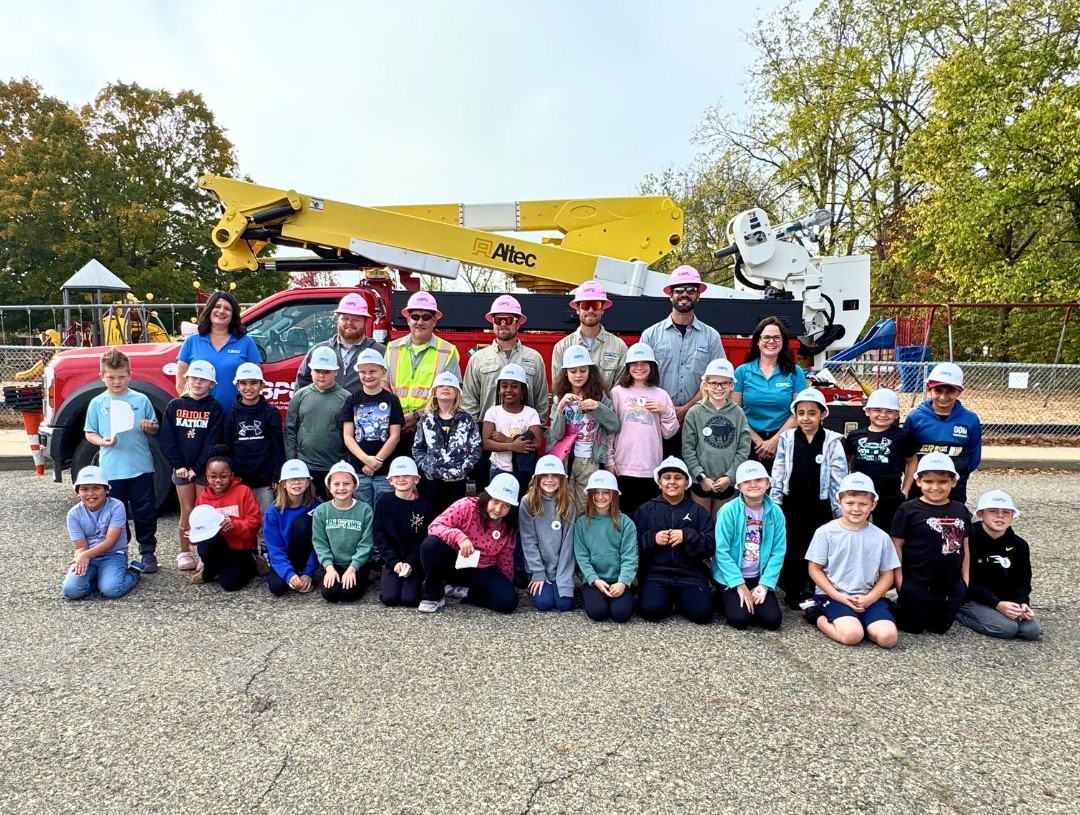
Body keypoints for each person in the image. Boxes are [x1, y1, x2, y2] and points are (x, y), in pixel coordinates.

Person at [461, 294, 551, 493]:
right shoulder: (478, 359)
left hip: (525, 445)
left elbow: (542, 400)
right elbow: (469, 401)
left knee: (523, 496)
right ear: (492, 323)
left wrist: (533, 436)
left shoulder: (533, 358)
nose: (503, 324)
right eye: (498, 320)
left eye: (508, 320)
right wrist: (480, 437)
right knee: (488, 497)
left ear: (518, 323)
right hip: (489, 442)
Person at [82, 348, 160, 572]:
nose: (117, 381)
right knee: (116, 513)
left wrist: (150, 427)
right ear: (102, 376)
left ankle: (147, 551)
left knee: (144, 511)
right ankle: (119, 550)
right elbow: (89, 432)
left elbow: (153, 426)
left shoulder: (141, 399)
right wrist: (102, 441)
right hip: (111, 470)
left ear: (130, 375)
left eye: (122, 376)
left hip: (140, 466)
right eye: (111, 377)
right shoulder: (97, 403)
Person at [769, 387, 848, 609]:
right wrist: (775, 501)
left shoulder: (832, 441)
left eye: (812, 413)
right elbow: (779, 469)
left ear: (822, 414)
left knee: (817, 544)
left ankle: (812, 587)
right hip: (792, 501)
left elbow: (838, 477)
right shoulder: (787, 438)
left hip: (819, 503)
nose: (806, 418)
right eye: (801, 413)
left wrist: (839, 509)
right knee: (792, 544)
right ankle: (792, 588)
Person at [805, 473, 901, 648]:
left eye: (863, 504)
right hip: (832, 594)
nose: (856, 509)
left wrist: (870, 598)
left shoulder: (881, 537)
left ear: (873, 505)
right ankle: (814, 614)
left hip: (867, 596)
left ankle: (863, 621)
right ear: (839, 502)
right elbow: (814, 569)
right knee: (852, 636)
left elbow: (888, 574)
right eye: (850, 503)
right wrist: (838, 596)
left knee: (888, 638)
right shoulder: (825, 532)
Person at [638, 265, 725, 457]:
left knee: (694, 478)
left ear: (698, 296)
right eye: (679, 290)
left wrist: (685, 410)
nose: (685, 294)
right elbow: (640, 381)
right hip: (656, 421)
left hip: (697, 420)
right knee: (659, 479)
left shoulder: (711, 337)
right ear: (670, 295)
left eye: (691, 290)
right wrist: (667, 410)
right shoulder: (650, 336)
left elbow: (717, 381)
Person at [890, 452, 971, 635]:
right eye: (928, 481)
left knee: (939, 628)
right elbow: (896, 546)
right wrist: (900, 582)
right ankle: (886, 603)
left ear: (954, 481)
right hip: (916, 581)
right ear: (918, 481)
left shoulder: (960, 510)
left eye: (942, 482)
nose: (935, 487)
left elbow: (964, 545)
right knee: (914, 628)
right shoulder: (908, 510)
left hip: (949, 583)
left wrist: (964, 580)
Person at [417, 473, 522, 615]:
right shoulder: (466, 505)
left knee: (508, 602)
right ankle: (434, 594)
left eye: (506, 505)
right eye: (495, 501)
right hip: (454, 562)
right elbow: (434, 527)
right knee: (431, 545)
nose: (498, 509)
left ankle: (468, 594)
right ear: (487, 496)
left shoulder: (508, 523)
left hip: (483, 566)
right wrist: (459, 537)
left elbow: (506, 556)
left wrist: (506, 585)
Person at [158, 359, 224, 571]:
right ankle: (185, 551)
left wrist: (197, 467)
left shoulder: (215, 409)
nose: (198, 382)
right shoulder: (175, 406)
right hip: (181, 468)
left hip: (203, 469)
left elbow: (212, 442)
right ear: (186, 379)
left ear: (212, 384)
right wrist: (179, 465)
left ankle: (204, 552)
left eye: (203, 379)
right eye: (194, 377)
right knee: (186, 509)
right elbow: (167, 439)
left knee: (204, 509)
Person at [633, 457, 715, 624]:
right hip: (656, 572)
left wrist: (687, 535)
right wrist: (652, 538)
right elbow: (632, 545)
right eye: (667, 477)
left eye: (678, 478)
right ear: (659, 482)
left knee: (703, 615)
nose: (672, 482)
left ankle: (683, 598)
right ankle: (668, 599)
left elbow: (710, 545)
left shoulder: (698, 512)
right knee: (651, 611)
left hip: (690, 572)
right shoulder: (645, 510)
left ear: (687, 483)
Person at [384, 291, 461, 460]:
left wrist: (417, 416)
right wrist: (398, 418)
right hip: (396, 427)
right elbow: (383, 386)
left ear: (434, 320)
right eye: (415, 316)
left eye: (426, 317)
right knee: (397, 482)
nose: (419, 321)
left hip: (431, 429)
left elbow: (450, 395)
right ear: (408, 319)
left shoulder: (448, 351)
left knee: (427, 483)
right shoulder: (392, 348)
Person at [606, 343, 679, 518]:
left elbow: (670, 432)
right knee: (623, 516)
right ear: (627, 367)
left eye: (644, 363)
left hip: (650, 467)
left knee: (647, 517)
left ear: (652, 366)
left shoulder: (661, 395)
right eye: (634, 363)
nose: (639, 367)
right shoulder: (617, 393)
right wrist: (608, 459)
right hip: (622, 466)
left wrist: (665, 410)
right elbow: (609, 429)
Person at [956, 490, 1041, 640]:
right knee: (1007, 628)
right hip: (972, 597)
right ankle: (957, 613)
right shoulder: (967, 540)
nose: (1000, 515)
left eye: (1006, 512)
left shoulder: (1020, 545)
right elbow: (964, 581)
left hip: (1003, 598)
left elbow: (1023, 581)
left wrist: (1022, 603)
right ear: (981, 515)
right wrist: (997, 604)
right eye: (993, 511)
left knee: (1031, 631)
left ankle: (1001, 614)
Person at [712, 460, 785, 631]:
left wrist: (765, 584)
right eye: (746, 481)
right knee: (740, 619)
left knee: (772, 621)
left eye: (759, 480)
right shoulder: (728, 511)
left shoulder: (776, 512)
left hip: (758, 576)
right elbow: (721, 551)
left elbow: (778, 551)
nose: (753, 485)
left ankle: (747, 596)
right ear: (738, 486)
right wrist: (739, 584)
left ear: (768, 483)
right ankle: (721, 595)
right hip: (731, 576)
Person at [546, 345, 620, 510]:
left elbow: (614, 425)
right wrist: (560, 409)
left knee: (584, 507)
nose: (578, 375)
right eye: (573, 371)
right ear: (566, 373)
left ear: (590, 371)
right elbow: (556, 435)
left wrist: (598, 407)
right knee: (564, 506)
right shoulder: (559, 397)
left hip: (589, 460)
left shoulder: (600, 395)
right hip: (565, 460)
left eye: (582, 370)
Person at [732, 317, 809, 474]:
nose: (771, 341)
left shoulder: (795, 372)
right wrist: (758, 441)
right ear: (758, 341)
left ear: (783, 341)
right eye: (766, 337)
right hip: (748, 441)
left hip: (785, 439)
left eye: (776, 337)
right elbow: (735, 412)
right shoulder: (742, 372)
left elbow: (799, 412)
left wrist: (775, 441)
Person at [224, 362, 285, 546]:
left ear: (262, 385)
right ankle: (248, 551)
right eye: (243, 383)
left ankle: (267, 550)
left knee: (266, 516)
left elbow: (277, 445)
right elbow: (227, 446)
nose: (248, 388)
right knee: (243, 517)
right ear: (237, 385)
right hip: (240, 479)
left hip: (264, 478)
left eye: (253, 383)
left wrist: (277, 474)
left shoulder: (270, 412)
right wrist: (230, 474)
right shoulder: (231, 414)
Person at [904, 362, 983, 504]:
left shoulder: (970, 420)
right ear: (929, 389)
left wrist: (958, 472)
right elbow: (906, 452)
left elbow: (973, 455)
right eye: (938, 391)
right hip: (921, 483)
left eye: (950, 392)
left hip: (954, 483)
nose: (943, 397)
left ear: (959, 392)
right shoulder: (915, 418)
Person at [682, 357, 751, 518]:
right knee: (701, 522)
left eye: (724, 383)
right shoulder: (695, 412)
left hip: (726, 481)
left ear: (731, 385)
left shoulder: (738, 413)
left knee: (721, 523)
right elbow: (688, 448)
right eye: (713, 383)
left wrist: (730, 476)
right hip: (701, 481)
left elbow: (743, 447)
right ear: (705, 384)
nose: (718, 388)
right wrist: (701, 477)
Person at [61, 465, 142, 600]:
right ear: (78, 493)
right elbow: (81, 546)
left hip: (113, 554)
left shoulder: (117, 506)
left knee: (112, 590)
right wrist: (80, 556)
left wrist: (84, 555)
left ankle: (133, 572)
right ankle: (100, 581)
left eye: (96, 488)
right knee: (70, 591)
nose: (90, 494)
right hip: (89, 556)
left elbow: (110, 542)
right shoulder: (73, 514)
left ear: (107, 490)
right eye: (84, 489)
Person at [844, 387, 917, 534]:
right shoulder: (854, 436)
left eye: (889, 411)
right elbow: (845, 460)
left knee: (888, 533)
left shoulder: (903, 436)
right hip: (860, 493)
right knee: (855, 530)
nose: (883, 415)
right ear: (867, 411)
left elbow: (912, 461)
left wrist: (905, 490)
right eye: (877, 410)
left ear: (897, 415)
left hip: (890, 495)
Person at [412, 371, 482, 518]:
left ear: (457, 393)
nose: (446, 388)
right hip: (432, 479)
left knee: (455, 516)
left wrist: (465, 467)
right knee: (433, 515)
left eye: (450, 386)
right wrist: (426, 466)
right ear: (435, 393)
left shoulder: (466, 419)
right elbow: (418, 447)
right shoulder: (426, 419)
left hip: (457, 479)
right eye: (441, 385)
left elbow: (476, 447)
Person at [340, 348, 404, 507]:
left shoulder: (392, 400)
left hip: (385, 471)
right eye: (363, 372)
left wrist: (377, 461)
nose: (367, 376)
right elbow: (348, 436)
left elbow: (394, 436)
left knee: (384, 510)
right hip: (359, 469)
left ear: (383, 371)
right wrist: (366, 460)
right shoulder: (352, 400)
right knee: (362, 511)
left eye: (372, 371)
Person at [176, 290, 261, 408]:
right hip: (202, 418)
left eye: (227, 308)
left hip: (235, 417)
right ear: (209, 310)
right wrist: (194, 410)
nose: (221, 311)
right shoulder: (192, 341)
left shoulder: (246, 342)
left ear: (233, 315)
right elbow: (181, 383)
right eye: (217, 306)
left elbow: (256, 381)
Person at [189, 452, 262, 591]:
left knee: (230, 585)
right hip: (217, 549)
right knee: (206, 546)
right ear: (206, 477)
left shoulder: (243, 491)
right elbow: (196, 526)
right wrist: (191, 532)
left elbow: (255, 521)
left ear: (231, 476)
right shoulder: (203, 498)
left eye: (223, 476)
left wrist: (235, 525)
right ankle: (210, 570)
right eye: (213, 476)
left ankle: (252, 563)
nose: (218, 480)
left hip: (240, 549)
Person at [284, 345, 350, 498]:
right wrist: (291, 461)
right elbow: (290, 429)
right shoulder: (300, 396)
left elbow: (350, 434)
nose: (321, 375)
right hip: (306, 466)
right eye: (317, 371)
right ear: (311, 371)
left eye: (326, 372)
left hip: (335, 466)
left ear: (335, 372)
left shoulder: (346, 398)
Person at [574, 470, 638, 623]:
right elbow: (581, 556)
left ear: (614, 495)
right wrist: (594, 579)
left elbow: (630, 556)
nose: (600, 497)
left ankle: (628, 593)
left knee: (621, 615)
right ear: (590, 495)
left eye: (606, 493)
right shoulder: (582, 523)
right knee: (598, 613)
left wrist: (623, 582)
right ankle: (588, 595)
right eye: (596, 492)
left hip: (618, 579)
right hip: (595, 580)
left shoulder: (626, 523)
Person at [294, 293, 386, 396]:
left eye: (355, 319)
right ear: (338, 320)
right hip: (326, 412)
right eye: (345, 318)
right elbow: (301, 389)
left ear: (365, 321)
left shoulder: (381, 352)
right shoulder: (318, 351)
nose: (349, 323)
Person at [518, 456, 578, 612]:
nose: (549, 480)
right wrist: (538, 572)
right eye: (544, 475)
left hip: (561, 567)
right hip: (538, 566)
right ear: (537, 478)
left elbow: (568, 544)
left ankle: (559, 584)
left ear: (561, 479)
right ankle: (541, 582)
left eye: (555, 475)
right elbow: (528, 540)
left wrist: (563, 576)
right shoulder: (528, 501)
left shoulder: (568, 502)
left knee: (564, 605)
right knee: (544, 604)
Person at [312, 461, 375, 603]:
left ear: (355, 486)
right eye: (336, 484)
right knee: (330, 594)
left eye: (346, 484)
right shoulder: (322, 511)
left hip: (356, 564)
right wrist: (328, 567)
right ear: (329, 486)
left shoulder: (365, 510)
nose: (341, 488)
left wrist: (353, 568)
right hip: (333, 563)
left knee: (349, 594)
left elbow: (366, 543)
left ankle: (364, 576)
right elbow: (320, 542)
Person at [374, 457, 432, 608]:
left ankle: (418, 579)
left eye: (406, 475)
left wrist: (411, 562)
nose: (401, 479)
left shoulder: (424, 506)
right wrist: (393, 562)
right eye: (397, 476)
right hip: (392, 560)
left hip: (413, 560)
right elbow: (379, 535)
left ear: (416, 480)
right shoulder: (384, 502)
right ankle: (388, 575)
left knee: (410, 600)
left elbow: (424, 539)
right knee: (390, 598)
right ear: (390, 480)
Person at [550, 280, 627, 389]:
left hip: (608, 406)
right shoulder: (562, 347)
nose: (590, 310)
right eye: (585, 305)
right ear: (577, 309)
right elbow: (559, 388)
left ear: (603, 309)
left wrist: (601, 406)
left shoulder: (619, 347)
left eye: (596, 305)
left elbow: (620, 391)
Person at [263, 459, 321, 597]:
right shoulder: (273, 511)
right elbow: (274, 548)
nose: (296, 482)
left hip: (305, 556)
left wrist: (309, 572)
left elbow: (319, 543)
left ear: (308, 483)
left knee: (302, 523)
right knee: (277, 588)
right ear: (283, 484)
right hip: (285, 557)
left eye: (301, 479)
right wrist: (289, 574)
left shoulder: (317, 506)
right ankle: (294, 573)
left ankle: (303, 573)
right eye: (291, 480)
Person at [482, 363, 542, 494]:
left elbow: (536, 443)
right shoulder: (493, 412)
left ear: (523, 390)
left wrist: (506, 439)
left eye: (515, 386)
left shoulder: (531, 413)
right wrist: (513, 446)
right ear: (499, 390)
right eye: (504, 386)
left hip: (523, 472)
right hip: (498, 469)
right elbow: (487, 443)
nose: (508, 390)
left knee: (520, 505)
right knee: (498, 504)